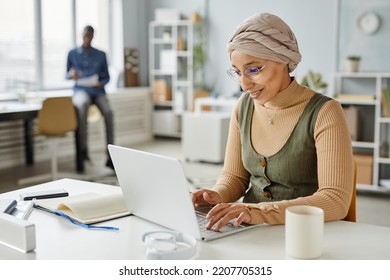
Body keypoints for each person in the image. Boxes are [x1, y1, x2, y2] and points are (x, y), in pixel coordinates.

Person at [191, 13, 354, 231]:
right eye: (238, 72)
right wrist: (217, 194)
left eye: (254, 70)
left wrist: (257, 212)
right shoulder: (244, 106)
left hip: (306, 233)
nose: (244, 84)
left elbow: (335, 200)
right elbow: (235, 176)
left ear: (284, 60)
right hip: (250, 229)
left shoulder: (325, 112)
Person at [66, 25, 114, 170]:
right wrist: (71, 75)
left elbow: (107, 77)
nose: (87, 38)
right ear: (82, 35)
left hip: (98, 91)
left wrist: (101, 83)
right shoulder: (72, 53)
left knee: (109, 112)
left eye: (90, 35)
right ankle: (83, 153)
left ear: (93, 36)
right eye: (85, 35)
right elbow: (67, 74)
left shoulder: (101, 54)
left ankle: (110, 157)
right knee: (81, 106)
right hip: (81, 90)